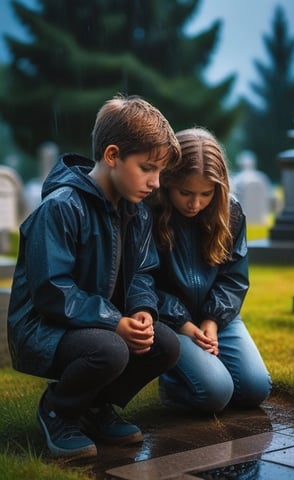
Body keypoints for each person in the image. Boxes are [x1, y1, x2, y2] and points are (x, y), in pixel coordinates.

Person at [7, 95, 181, 459]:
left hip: (100, 324)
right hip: (44, 327)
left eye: (160, 172)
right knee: (110, 349)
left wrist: (142, 309)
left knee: (164, 344)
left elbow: (142, 273)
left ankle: (94, 408)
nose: (155, 182)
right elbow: (52, 291)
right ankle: (58, 410)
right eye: (148, 167)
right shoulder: (61, 208)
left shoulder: (138, 212)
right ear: (113, 155)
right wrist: (114, 321)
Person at [149, 127, 272, 415]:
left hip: (217, 318)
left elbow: (234, 277)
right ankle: (170, 380)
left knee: (255, 389)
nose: (195, 203)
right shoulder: (150, 213)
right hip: (169, 321)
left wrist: (213, 320)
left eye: (206, 194)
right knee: (215, 394)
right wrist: (183, 323)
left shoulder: (231, 212)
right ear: (168, 181)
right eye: (185, 193)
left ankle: (203, 370)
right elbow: (144, 281)